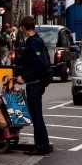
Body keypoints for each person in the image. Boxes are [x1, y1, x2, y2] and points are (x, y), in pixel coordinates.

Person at [16, 16, 53, 156]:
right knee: (36, 115)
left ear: (24, 28)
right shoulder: (36, 41)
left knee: (37, 116)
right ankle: (41, 144)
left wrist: (24, 77)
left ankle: (42, 146)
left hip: (35, 84)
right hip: (35, 84)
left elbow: (40, 64)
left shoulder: (34, 43)